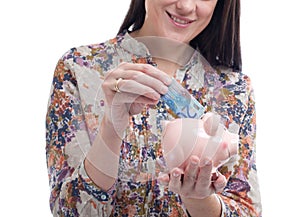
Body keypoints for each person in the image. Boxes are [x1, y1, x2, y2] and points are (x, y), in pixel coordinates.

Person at [45, 0, 262, 216]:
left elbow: (247, 210)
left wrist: (199, 199)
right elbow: (68, 211)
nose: (186, 6)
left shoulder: (233, 90)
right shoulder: (81, 69)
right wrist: (111, 128)